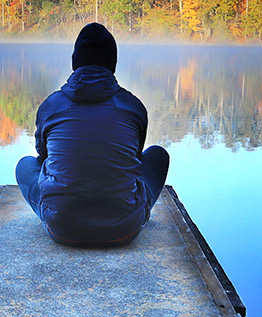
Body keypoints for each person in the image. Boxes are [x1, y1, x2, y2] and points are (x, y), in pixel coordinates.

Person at [15, 23, 170, 246]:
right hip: (124, 229)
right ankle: (135, 211)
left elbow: (43, 157)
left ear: (73, 62)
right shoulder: (133, 106)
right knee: (157, 155)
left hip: (63, 228)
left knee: (25, 165)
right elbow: (134, 160)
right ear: (113, 64)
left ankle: (60, 209)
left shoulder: (51, 106)